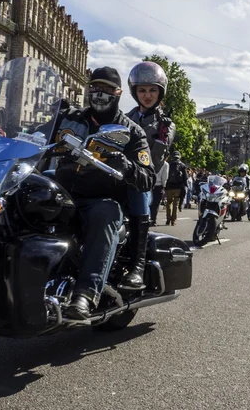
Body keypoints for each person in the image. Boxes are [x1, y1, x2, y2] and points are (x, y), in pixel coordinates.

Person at [50, 66, 155, 318]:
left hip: (98, 199)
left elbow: (148, 177)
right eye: (95, 88)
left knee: (105, 213)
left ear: (118, 93)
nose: (100, 94)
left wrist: (128, 167)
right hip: (59, 191)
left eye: (107, 90)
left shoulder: (131, 131)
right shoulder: (69, 118)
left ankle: (85, 295)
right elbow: (32, 139)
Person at [122, 61, 175, 289]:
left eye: (152, 90)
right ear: (135, 92)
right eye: (142, 90)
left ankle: (138, 266)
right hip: (115, 175)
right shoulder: (123, 117)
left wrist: (131, 169)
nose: (147, 95)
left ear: (160, 91)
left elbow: (153, 160)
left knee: (140, 196)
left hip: (141, 180)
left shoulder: (165, 125)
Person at [165, 151, 188, 225]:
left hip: (169, 187)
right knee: (176, 204)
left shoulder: (169, 164)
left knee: (169, 203)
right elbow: (186, 177)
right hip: (178, 187)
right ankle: (173, 221)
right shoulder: (182, 165)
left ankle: (168, 218)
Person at [150, 160, 169, 227]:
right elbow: (164, 177)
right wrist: (164, 186)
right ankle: (153, 220)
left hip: (149, 184)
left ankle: (147, 219)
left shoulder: (151, 160)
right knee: (156, 205)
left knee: (149, 203)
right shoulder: (165, 164)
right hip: (158, 185)